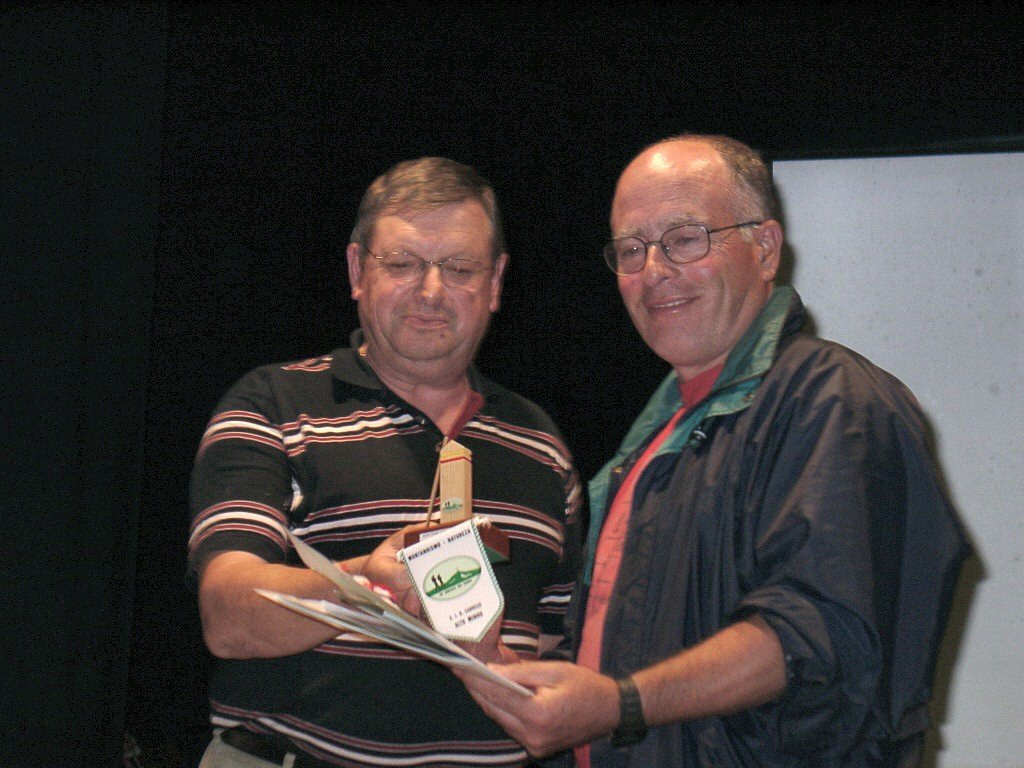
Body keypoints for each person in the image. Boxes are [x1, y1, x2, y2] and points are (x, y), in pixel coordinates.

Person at [457, 134, 968, 767]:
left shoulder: (834, 403)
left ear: (766, 249)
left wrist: (620, 704)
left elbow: (818, 629)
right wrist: (512, 671)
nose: (654, 270)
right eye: (631, 249)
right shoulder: (656, 438)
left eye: (686, 238)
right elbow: (629, 649)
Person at [189, 156, 581, 768]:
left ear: (496, 282)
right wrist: (365, 586)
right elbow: (227, 614)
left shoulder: (542, 446)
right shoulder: (274, 405)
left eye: (459, 269)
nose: (430, 291)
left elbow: (560, 649)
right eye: (402, 264)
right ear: (357, 270)